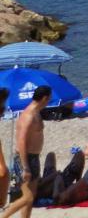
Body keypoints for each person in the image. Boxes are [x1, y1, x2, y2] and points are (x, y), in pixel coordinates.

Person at [2, 85, 50, 218]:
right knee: (28, 198)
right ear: (45, 98)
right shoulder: (28, 116)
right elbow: (21, 142)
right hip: (25, 159)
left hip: (34, 157)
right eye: (49, 99)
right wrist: (25, 168)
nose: (49, 102)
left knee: (31, 197)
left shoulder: (37, 112)